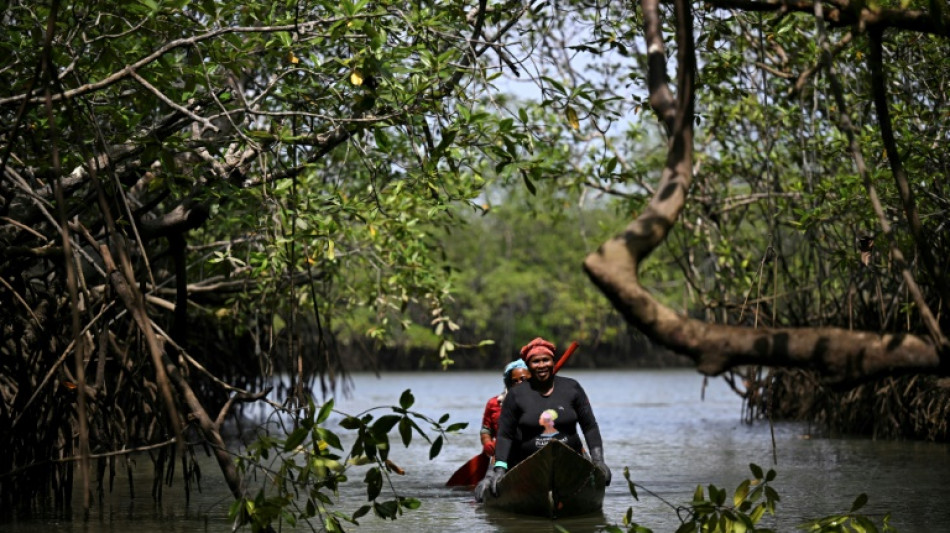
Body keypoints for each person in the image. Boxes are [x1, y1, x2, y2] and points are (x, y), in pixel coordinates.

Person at [476, 337, 611, 501]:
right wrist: (499, 470)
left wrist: (598, 461)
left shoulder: (572, 388)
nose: (541, 365)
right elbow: (505, 435)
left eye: (545, 360)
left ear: (552, 362)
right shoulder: (516, 395)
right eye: (535, 361)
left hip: (570, 460)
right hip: (525, 464)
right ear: (529, 366)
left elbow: (589, 427)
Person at [479, 360, 531, 459]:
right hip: (503, 454)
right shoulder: (494, 403)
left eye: (523, 379)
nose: (519, 383)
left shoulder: (542, 400)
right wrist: (487, 442)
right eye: (515, 381)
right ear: (509, 383)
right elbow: (486, 430)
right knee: (492, 474)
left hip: (531, 453)